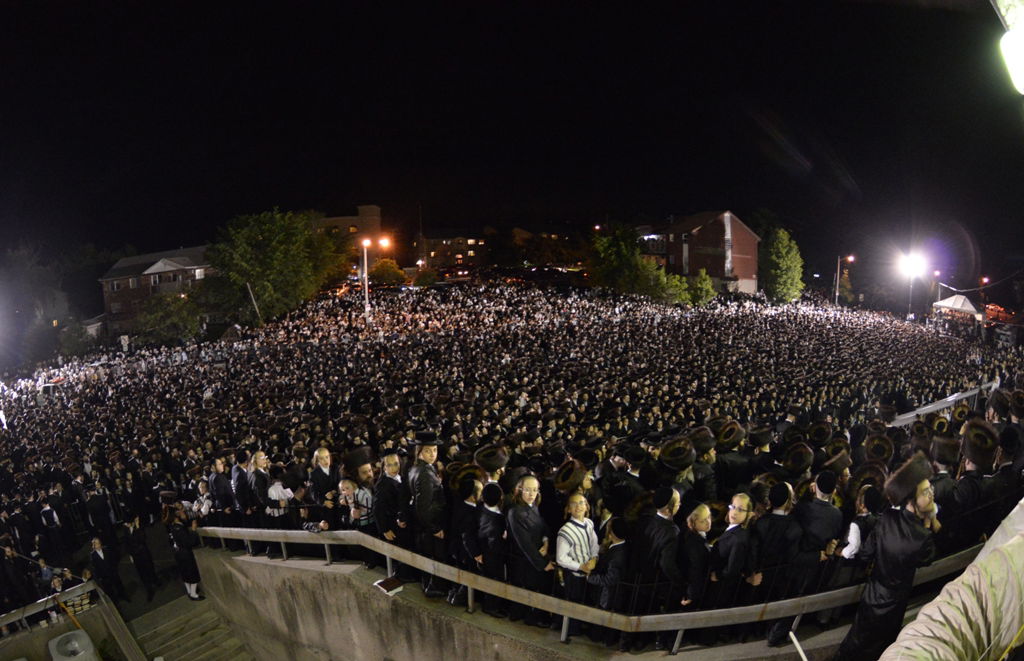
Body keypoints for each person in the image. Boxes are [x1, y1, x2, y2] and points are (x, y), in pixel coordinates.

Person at [833, 454, 939, 661]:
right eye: (926, 492)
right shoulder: (923, 537)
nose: (932, 494)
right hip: (896, 601)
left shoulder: (886, 519)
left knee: (857, 640)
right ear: (913, 498)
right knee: (883, 646)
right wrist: (930, 523)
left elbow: (865, 554)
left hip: (873, 594)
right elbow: (927, 558)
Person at [506, 474, 554, 627]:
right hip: (525, 560)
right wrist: (542, 564)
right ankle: (529, 617)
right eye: (528, 490)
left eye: (535, 490)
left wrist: (546, 543)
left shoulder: (533, 507)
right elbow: (524, 543)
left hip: (536, 555)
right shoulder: (516, 512)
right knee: (527, 590)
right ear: (519, 490)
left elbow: (544, 527)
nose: (532, 494)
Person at [407, 432, 448, 598]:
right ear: (419, 452)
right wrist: (434, 528)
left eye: (435, 450)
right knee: (434, 557)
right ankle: (433, 588)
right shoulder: (424, 473)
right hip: (430, 526)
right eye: (428, 451)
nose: (433, 454)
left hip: (425, 526)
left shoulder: (417, 468)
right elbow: (422, 507)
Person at [555, 491, 599, 637]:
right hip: (574, 575)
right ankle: (570, 631)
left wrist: (594, 558)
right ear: (568, 509)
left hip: (588, 572)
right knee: (573, 603)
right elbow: (561, 558)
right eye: (574, 504)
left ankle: (579, 626)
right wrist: (581, 566)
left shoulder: (589, 523)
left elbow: (594, 544)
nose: (578, 506)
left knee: (583, 601)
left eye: (581, 503)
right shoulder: (565, 530)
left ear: (587, 506)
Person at [165, 502, 204, 601]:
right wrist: (194, 530)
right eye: (179, 510)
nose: (182, 511)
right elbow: (188, 542)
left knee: (185, 574)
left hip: (178, 553)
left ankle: (189, 592)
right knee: (192, 574)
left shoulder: (173, 526)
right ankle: (194, 594)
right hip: (185, 553)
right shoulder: (179, 528)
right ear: (176, 515)